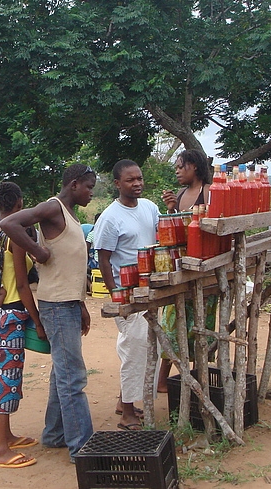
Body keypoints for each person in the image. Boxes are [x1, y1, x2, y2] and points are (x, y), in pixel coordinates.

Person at [0, 163, 96, 463]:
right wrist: (36, 251)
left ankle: (55, 434)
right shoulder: (52, 208)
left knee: (63, 372)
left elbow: (71, 266)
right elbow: (9, 224)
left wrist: (81, 304)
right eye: (89, 187)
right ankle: (83, 448)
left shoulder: (70, 215)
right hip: (56, 306)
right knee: (73, 378)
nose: (92, 193)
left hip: (68, 303)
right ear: (75, 184)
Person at [93, 160, 159, 430]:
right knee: (134, 348)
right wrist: (116, 295)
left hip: (150, 288)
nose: (137, 183)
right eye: (130, 180)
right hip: (127, 293)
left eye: (139, 178)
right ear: (117, 184)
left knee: (143, 345)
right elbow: (104, 260)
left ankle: (125, 400)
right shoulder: (110, 217)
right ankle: (128, 414)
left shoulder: (150, 208)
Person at [0, 182, 45, 469]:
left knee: (1, 373)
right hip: (9, 315)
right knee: (4, 377)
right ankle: (0, 451)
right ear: (20, 203)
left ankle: (6, 435)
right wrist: (37, 321)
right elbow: (22, 284)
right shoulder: (14, 236)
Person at [158, 149, 215, 392]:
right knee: (172, 325)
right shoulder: (180, 194)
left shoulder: (209, 193)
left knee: (200, 327)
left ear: (194, 166)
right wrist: (171, 209)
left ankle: (195, 380)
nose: (177, 171)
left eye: (181, 166)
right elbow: (176, 231)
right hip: (181, 267)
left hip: (204, 269)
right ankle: (163, 381)